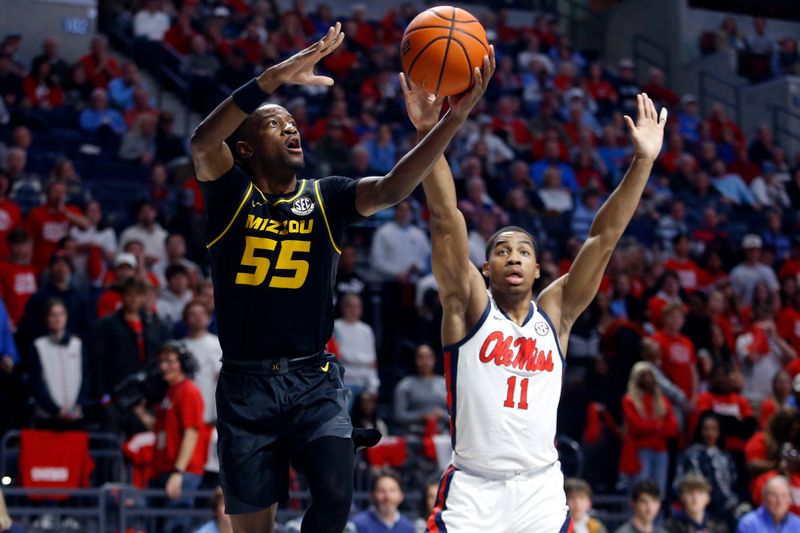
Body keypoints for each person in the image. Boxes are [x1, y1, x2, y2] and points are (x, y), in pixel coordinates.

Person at [189, 23, 491, 532]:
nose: (291, 129)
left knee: (334, 495)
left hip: (313, 380)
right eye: (275, 124)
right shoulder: (229, 196)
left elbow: (395, 187)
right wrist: (274, 79)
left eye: (292, 123)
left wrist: (451, 120)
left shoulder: (325, 195)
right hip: (245, 386)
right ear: (243, 149)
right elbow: (202, 140)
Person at [403, 63, 666, 528]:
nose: (514, 257)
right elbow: (446, 218)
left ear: (539, 268)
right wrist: (430, 131)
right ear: (485, 268)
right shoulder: (468, 308)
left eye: (524, 250)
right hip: (474, 488)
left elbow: (603, 239)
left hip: (541, 489)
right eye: (502, 251)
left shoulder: (556, 315)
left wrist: (642, 161)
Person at [134, 341, 206, 533]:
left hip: (182, 471)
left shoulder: (189, 390)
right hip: (164, 469)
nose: (164, 366)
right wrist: (140, 413)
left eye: (170, 361)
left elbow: (191, 433)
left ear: (183, 363)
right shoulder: (169, 392)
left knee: (175, 527)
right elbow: (160, 429)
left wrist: (178, 472)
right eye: (162, 361)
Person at [674, 412, 740, 520]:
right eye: (706, 429)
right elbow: (678, 485)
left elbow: (734, 485)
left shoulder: (726, 457)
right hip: (697, 508)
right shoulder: (690, 455)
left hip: (725, 509)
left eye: (714, 429)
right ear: (700, 430)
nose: (710, 433)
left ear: (720, 432)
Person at [393, 344, 448, 433]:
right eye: (421, 358)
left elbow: (457, 414)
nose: (425, 362)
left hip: (444, 436)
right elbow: (399, 416)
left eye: (428, 357)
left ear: (434, 359)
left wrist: (443, 415)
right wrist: (421, 416)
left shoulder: (445, 383)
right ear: (415, 360)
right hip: (414, 436)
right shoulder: (405, 385)